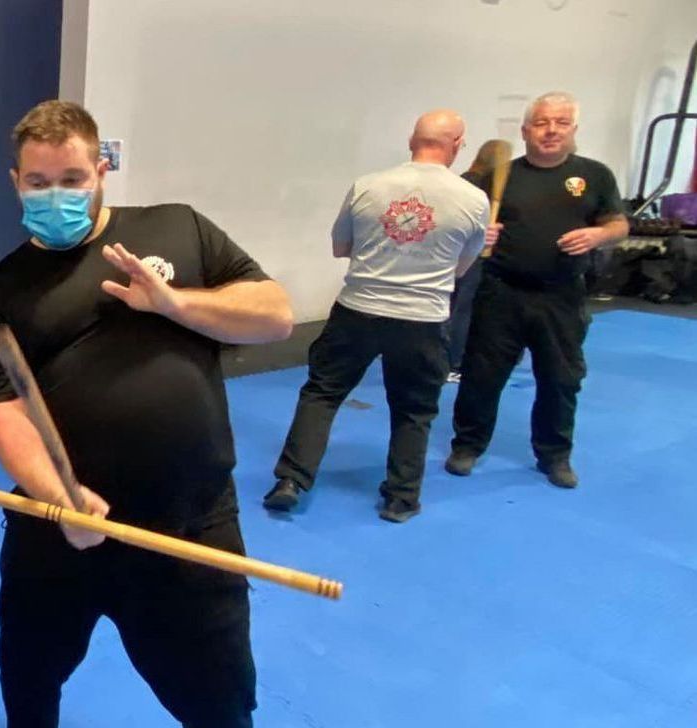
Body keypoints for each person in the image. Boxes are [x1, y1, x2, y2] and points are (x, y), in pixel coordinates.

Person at [0, 100, 293, 728]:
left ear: (100, 169)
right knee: (28, 661)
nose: (56, 192)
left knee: (218, 685)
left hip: (188, 521)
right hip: (59, 524)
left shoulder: (175, 229)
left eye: (72, 177)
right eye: (38, 181)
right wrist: (58, 497)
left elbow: (273, 314)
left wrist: (176, 304)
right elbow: (6, 411)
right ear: (15, 182)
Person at [264, 110, 489, 523]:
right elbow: (461, 268)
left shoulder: (367, 187)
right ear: (457, 144)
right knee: (414, 410)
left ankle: (290, 481)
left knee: (322, 393)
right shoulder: (473, 200)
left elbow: (340, 247)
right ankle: (401, 500)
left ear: (411, 140)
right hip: (423, 318)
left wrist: (384, 253)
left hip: (359, 310)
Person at [447, 92, 628, 488]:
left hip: (562, 296)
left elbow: (619, 224)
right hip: (502, 292)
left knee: (560, 380)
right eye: (543, 123)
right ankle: (467, 446)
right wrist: (479, 232)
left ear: (573, 130)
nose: (551, 131)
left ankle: (554, 455)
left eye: (561, 123)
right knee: (482, 375)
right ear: (527, 130)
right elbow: (457, 220)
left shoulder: (594, 175)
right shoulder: (501, 175)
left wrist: (598, 235)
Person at [444, 139, 510, 379]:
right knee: (465, 306)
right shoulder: (483, 186)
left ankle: (448, 356)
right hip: (474, 252)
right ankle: (454, 362)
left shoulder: (464, 179)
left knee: (454, 303)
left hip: (457, 250)